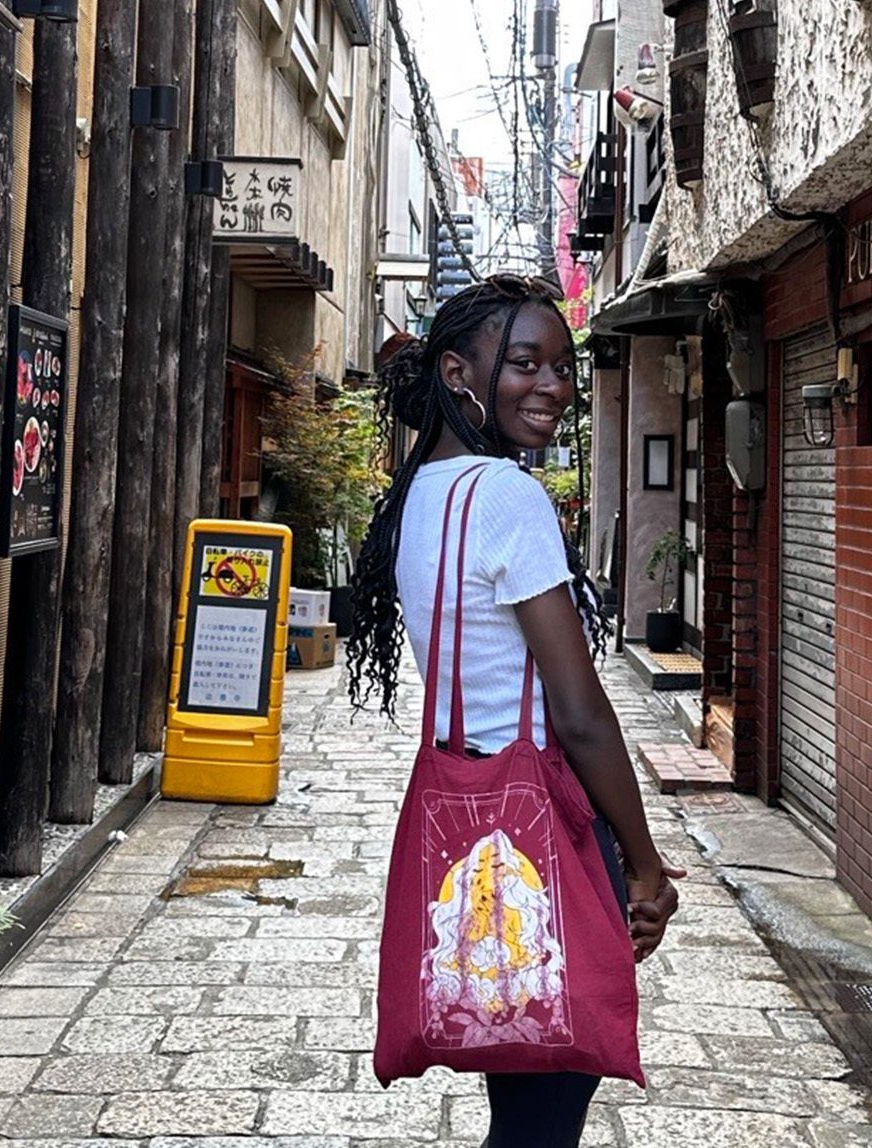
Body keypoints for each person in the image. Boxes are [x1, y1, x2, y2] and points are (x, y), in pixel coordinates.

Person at [345, 274, 681, 1148]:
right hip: (543, 834)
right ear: (458, 373)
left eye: (563, 368)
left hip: (468, 840)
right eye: (525, 364)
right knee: (543, 1121)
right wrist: (644, 865)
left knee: (524, 1103)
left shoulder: (426, 494)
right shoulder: (506, 495)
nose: (554, 387)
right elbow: (578, 713)